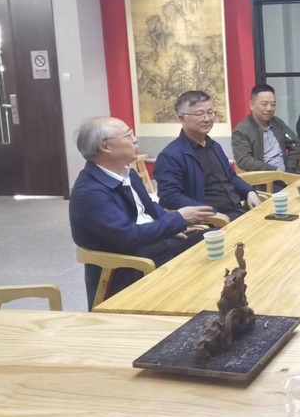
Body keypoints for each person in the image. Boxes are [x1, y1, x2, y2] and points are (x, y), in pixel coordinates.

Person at [69, 117, 215, 309]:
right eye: (128, 135)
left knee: (213, 240)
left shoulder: (127, 173)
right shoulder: (90, 192)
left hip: (150, 244)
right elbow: (128, 236)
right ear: (105, 147)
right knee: (204, 262)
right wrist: (177, 220)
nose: (135, 139)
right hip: (128, 264)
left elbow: (149, 208)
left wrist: (172, 225)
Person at [155, 91, 262, 220]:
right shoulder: (170, 156)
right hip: (209, 222)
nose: (207, 119)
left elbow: (231, 177)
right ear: (181, 118)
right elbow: (170, 198)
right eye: (200, 114)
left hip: (237, 211)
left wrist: (249, 191)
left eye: (210, 113)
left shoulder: (214, 146)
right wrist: (212, 214)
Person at [232, 84, 300, 173]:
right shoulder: (241, 131)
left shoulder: (277, 123)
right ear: (252, 105)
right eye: (264, 104)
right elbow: (244, 161)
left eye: (273, 104)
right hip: (264, 177)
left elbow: (295, 144)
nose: (269, 109)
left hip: (286, 173)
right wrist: (273, 170)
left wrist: (291, 166)